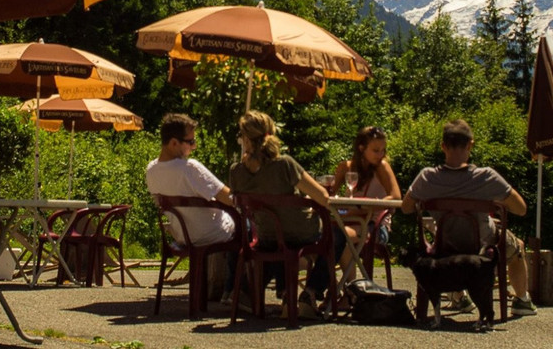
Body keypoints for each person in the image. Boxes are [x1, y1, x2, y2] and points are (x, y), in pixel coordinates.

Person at [400, 118, 538, 317]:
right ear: (470, 145)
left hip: (445, 245)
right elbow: (521, 209)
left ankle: (459, 296)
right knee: (518, 247)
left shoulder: (426, 177)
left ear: (443, 146)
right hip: (482, 245)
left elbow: (406, 208)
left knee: (448, 236)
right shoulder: (487, 177)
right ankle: (522, 300)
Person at [229, 110, 343, 320]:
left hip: (266, 236)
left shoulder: (236, 171)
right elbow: (323, 196)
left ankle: (277, 294)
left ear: (244, 138)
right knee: (337, 237)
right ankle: (310, 293)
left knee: (279, 239)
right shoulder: (285, 164)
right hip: (300, 233)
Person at [145, 114, 235, 246]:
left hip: (183, 237)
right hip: (214, 233)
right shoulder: (190, 168)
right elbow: (230, 198)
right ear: (174, 143)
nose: (194, 147)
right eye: (191, 142)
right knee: (249, 225)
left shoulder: (151, 170)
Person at [331, 126, 401, 250]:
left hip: (375, 226)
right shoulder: (346, 168)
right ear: (361, 148)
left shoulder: (382, 166)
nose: (380, 155)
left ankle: (323, 270)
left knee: (338, 237)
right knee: (324, 235)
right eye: (376, 150)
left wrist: (365, 208)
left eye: (383, 150)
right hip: (349, 220)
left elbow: (396, 197)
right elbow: (329, 195)